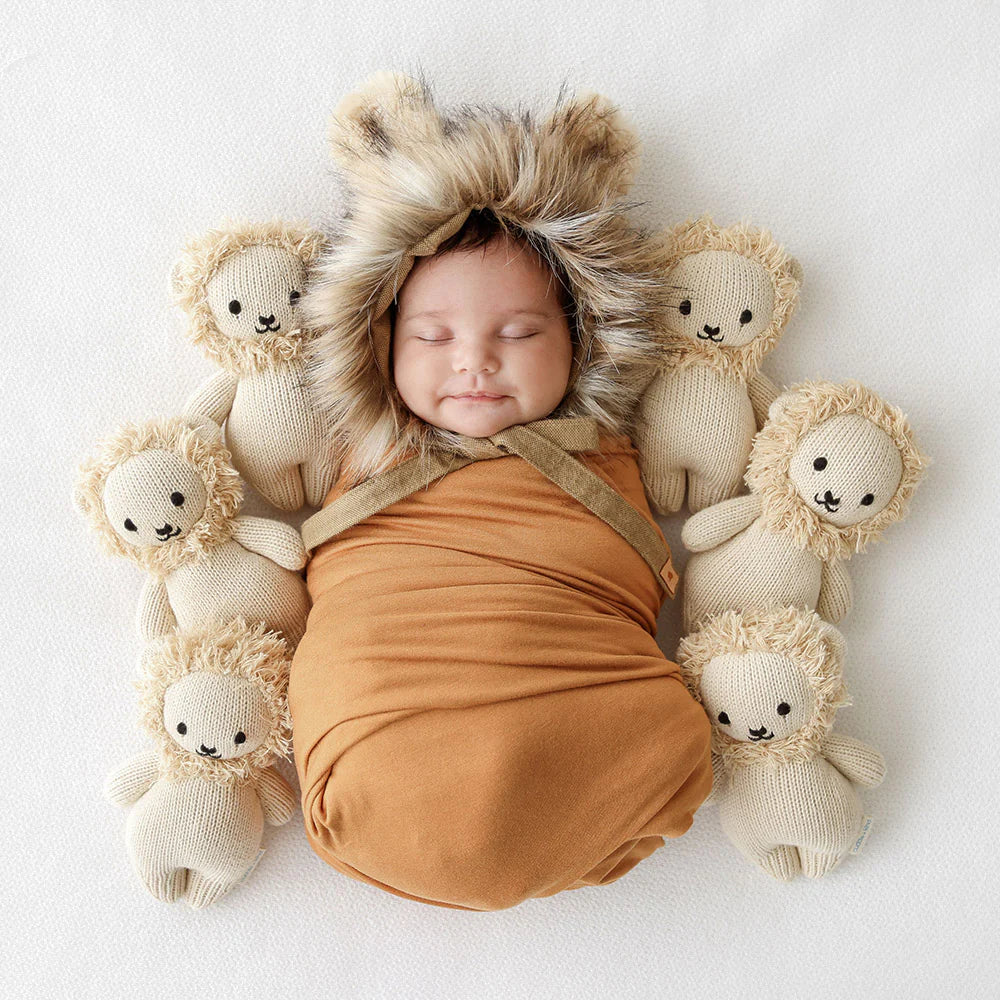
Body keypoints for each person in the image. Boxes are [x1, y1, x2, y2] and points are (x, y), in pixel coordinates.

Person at [288, 73, 713, 911]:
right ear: (378, 341)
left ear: (583, 337)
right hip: (381, 732)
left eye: (518, 333)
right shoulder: (363, 456)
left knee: (664, 731)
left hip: (585, 717)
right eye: (433, 335)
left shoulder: (607, 458)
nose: (474, 361)